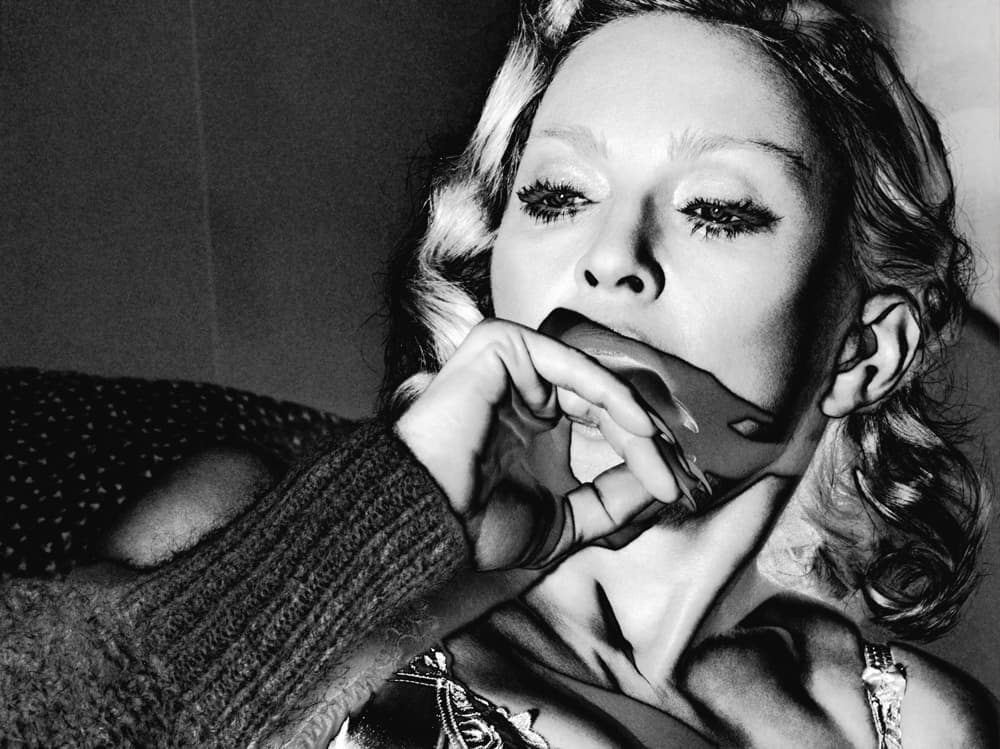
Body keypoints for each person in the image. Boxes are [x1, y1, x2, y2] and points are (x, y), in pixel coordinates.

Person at [0, 2, 995, 749]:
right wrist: (376, 544)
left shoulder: (911, 721)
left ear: (865, 349)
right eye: (558, 194)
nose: (610, 258)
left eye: (717, 210)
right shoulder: (244, 520)